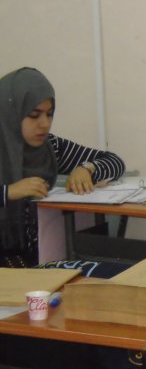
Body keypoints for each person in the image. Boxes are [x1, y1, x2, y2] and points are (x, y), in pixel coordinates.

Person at [0, 67, 126, 267]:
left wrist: (87, 168)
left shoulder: (49, 147)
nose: (44, 124)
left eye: (49, 114)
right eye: (34, 115)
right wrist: (8, 192)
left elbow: (115, 161)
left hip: (42, 257)